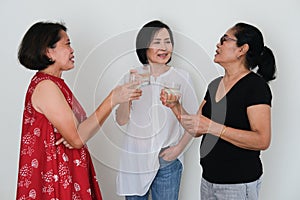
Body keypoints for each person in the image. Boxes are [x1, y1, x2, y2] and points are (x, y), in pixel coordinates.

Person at [16, 21, 142, 200]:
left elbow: (82, 131)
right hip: (55, 180)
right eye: (66, 44)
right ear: (48, 51)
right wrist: (111, 99)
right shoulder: (46, 86)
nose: (72, 50)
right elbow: (77, 138)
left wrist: (77, 133)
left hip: (67, 172)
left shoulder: (56, 84)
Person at [162, 22, 276, 199]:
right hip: (208, 181)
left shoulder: (256, 86)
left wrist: (213, 127)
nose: (218, 44)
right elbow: (196, 127)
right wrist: (175, 106)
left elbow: (262, 140)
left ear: (242, 49)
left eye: (225, 40)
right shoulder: (214, 85)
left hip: (238, 184)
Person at [115, 20, 198, 200]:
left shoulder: (182, 77)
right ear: (144, 46)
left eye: (167, 41)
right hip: (135, 159)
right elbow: (121, 120)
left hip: (167, 159)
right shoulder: (132, 76)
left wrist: (178, 149)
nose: (164, 47)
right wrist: (126, 97)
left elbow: (193, 123)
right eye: (157, 42)